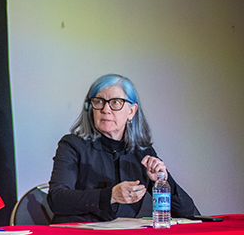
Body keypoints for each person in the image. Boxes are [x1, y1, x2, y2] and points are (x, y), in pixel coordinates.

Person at [48, 73, 196, 223]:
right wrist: (110, 196)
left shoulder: (142, 152)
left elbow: (189, 213)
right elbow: (57, 200)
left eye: (116, 102)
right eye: (99, 101)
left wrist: (162, 181)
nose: (106, 109)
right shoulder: (72, 145)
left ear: (131, 111)